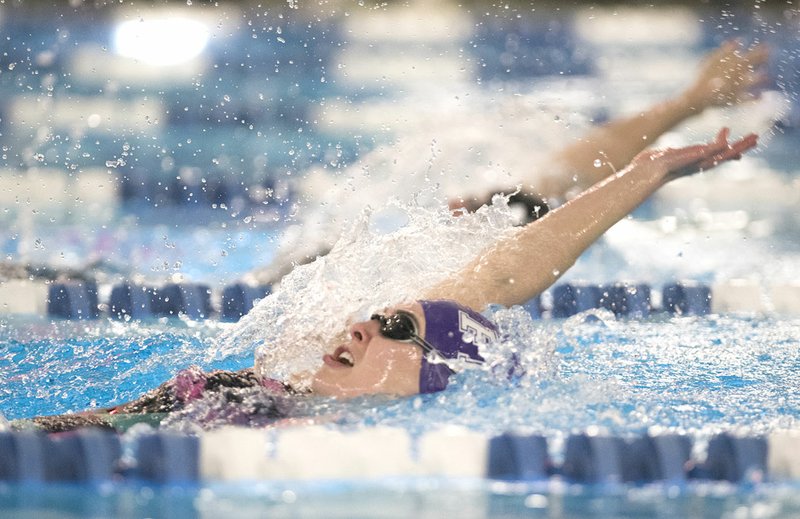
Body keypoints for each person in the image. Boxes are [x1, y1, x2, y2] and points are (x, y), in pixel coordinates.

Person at [20, 125, 757, 433]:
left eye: (398, 327)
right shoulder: (219, 390)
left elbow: (505, 271)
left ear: (436, 377)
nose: (363, 322)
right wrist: (646, 168)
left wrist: (647, 170)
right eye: (379, 314)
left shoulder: (346, 440)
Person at [253, 39, 769, 283]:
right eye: (474, 202)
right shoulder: (389, 268)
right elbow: (573, 170)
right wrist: (687, 105)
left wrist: (687, 108)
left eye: (471, 206)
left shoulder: (436, 274)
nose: (460, 199)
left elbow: (574, 171)